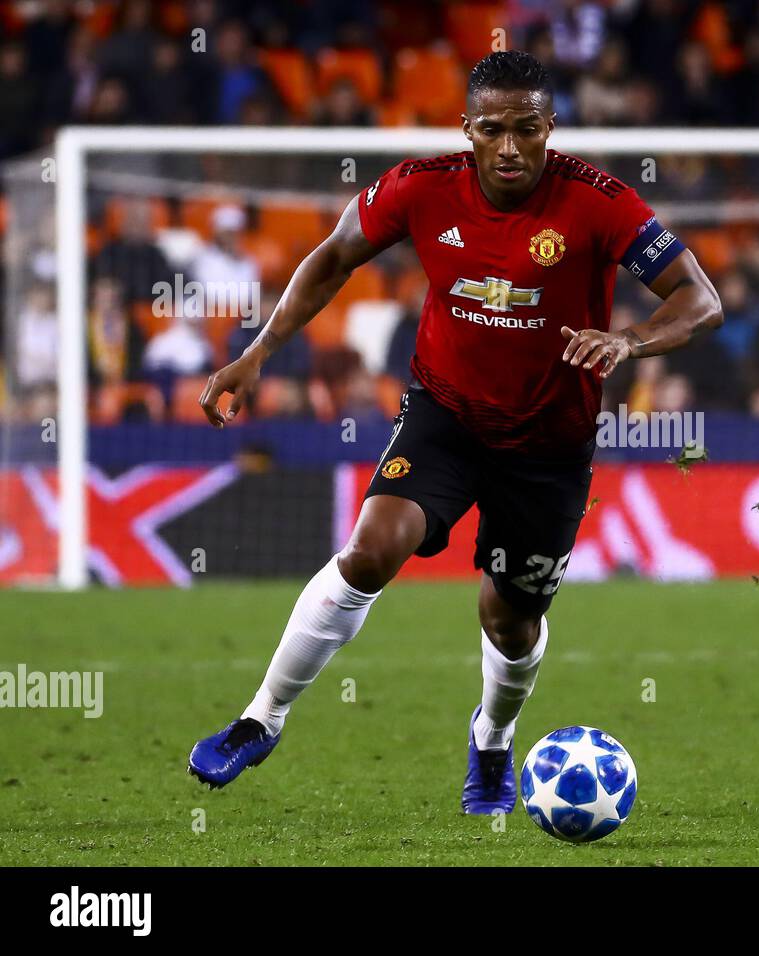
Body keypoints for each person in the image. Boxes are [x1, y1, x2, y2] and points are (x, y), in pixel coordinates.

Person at [187, 51, 723, 815]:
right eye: (494, 130)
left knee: (509, 620)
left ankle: (493, 741)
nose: (511, 148)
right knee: (370, 551)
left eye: (528, 130)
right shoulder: (419, 188)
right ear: (466, 129)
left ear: (551, 128)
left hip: (549, 442)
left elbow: (699, 299)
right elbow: (335, 255)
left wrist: (629, 342)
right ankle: (259, 719)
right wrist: (257, 353)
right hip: (446, 416)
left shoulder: (599, 203)